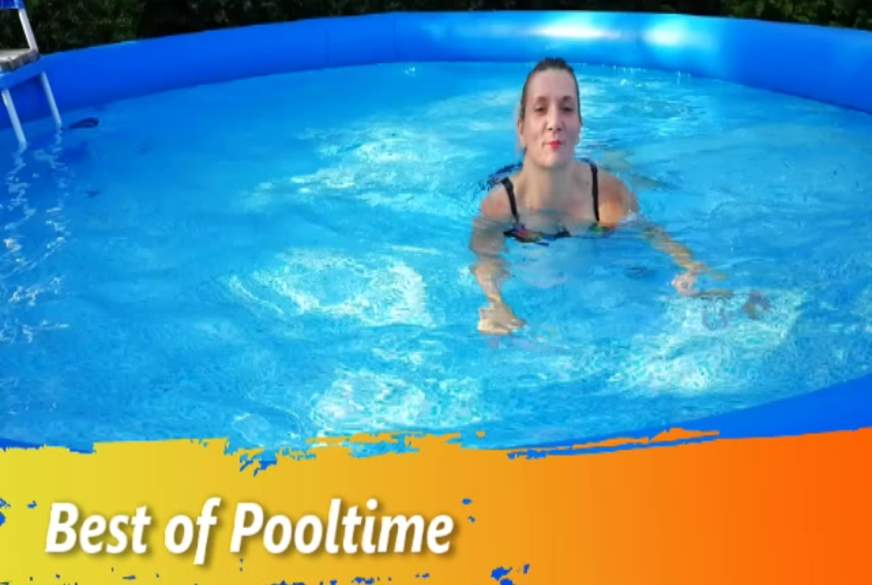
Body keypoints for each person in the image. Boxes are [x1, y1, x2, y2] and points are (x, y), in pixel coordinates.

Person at [470, 57, 729, 336]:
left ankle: (611, 155)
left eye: (567, 109)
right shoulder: (500, 205)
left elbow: (652, 234)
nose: (554, 122)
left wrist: (691, 268)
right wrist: (496, 303)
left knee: (627, 171)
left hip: (588, 179)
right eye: (540, 109)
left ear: (580, 126)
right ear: (521, 128)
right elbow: (486, 261)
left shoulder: (608, 197)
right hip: (513, 180)